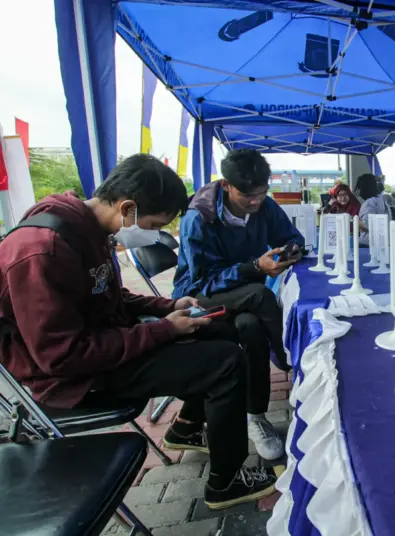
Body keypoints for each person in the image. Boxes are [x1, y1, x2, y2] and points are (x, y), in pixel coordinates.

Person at [0, 154, 276, 509]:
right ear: (127, 207)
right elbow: (61, 355)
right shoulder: (43, 251)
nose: (153, 234)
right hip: (70, 377)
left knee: (219, 329)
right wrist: (164, 330)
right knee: (225, 362)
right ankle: (226, 482)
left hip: (102, 342)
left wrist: (166, 308)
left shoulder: (88, 228)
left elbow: (110, 297)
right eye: (153, 223)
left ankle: (187, 426)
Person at [172, 149, 304, 460]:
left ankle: (255, 416)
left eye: (262, 193)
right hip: (200, 297)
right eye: (248, 195)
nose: (256, 202)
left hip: (244, 296)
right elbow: (201, 281)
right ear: (227, 185)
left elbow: (291, 235)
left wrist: (290, 250)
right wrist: (255, 269)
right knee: (260, 295)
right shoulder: (199, 218)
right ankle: (288, 361)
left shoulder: (264, 206)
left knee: (251, 325)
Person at [355, 174, 392, 246]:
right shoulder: (381, 199)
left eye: (359, 188)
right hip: (382, 241)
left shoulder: (369, 203)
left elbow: (367, 225)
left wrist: (355, 222)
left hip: (368, 243)